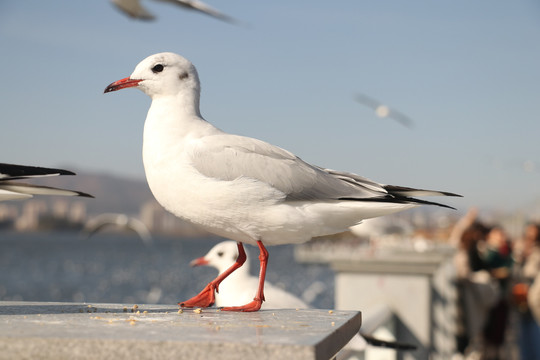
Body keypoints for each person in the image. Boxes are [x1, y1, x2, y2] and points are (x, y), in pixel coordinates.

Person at [513, 223, 540, 360]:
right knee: (524, 338)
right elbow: (517, 272)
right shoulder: (522, 251)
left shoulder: (537, 252)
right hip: (522, 300)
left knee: (536, 337)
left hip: (536, 298)